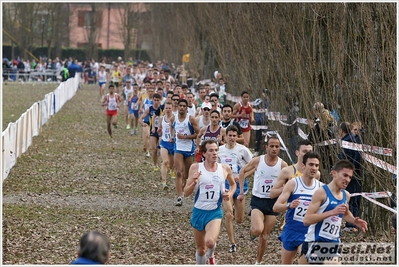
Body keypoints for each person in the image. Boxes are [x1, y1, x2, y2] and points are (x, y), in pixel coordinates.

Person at [300, 159, 368, 264]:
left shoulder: (346, 195)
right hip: (316, 241)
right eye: (345, 175)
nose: (347, 179)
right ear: (334, 173)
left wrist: (354, 221)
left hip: (333, 243)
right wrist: (331, 212)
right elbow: (307, 220)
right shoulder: (321, 193)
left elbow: (344, 213)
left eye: (350, 177)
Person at [184, 139, 236, 265]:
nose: (214, 153)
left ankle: (211, 255)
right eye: (211, 150)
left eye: (216, 150)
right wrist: (194, 182)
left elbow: (233, 184)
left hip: (214, 212)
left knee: (210, 242)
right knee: (201, 249)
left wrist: (230, 193)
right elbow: (186, 192)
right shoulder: (196, 167)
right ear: (204, 153)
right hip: (198, 212)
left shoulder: (224, 168)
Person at [237, 136, 288, 265]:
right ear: (267, 147)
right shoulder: (258, 161)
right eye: (272, 146)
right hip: (258, 200)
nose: (274, 149)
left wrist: (285, 200)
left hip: (272, 203)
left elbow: (289, 185)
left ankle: (257, 262)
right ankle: (252, 232)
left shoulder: (283, 165)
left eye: (277, 146)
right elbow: (243, 171)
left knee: (265, 236)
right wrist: (242, 191)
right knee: (258, 230)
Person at [272, 152, 323, 264]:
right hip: (291, 230)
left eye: (316, 165)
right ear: (303, 166)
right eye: (311, 164)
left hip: (309, 234)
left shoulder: (322, 188)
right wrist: (289, 205)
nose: (314, 168)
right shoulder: (293, 184)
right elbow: (276, 207)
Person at [270, 140, 320, 231]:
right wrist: (288, 187)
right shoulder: (287, 171)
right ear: (297, 153)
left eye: (310, 152)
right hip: (289, 216)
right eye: (305, 152)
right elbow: (272, 194)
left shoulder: (316, 174)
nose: (307, 154)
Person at [218, 125, 253, 253]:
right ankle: (232, 243)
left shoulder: (243, 150)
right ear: (225, 136)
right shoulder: (219, 150)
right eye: (229, 135)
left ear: (237, 137)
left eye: (234, 136)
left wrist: (243, 175)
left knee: (239, 219)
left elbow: (253, 167)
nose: (232, 138)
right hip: (225, 185)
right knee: (228, 214)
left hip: (239, 186)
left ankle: (235, 212)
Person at [170, 99, 200, 206]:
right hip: (178, 148)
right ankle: (179, 196)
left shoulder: (191, 119)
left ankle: (182, 190)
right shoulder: (174, 118)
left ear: (187, 108)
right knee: (179, 172)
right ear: (177, 107)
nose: (182, 107)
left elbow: (198, 134)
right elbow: (171, 127)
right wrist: (172, 137)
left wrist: (186, 137)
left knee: (187, 175)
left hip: (189, 148)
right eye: (180, 105)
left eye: (184, 106)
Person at [338, 122, 362, 232]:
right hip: (354, 173)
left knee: (351, 198)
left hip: (351, 173)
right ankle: (352, 224)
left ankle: (351, 225)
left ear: (341, 131)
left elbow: (353, 157)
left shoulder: (347, 141)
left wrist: (350, 170)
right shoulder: (354, 140)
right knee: (354, 198)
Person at [140, 93, 162, 170]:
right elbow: (141, 118)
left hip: (161, 131)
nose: (156, 102)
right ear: (153, 100)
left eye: (157, 100)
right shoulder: (150, 109)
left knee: (161, 149)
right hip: (153, 130)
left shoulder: (162, 109)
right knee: (154, 149)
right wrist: (143, 124)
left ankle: (162, 163)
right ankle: (155, 165)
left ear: (160, 100)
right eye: (155, 100)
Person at [157, 101, 175, 189]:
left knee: (172, 164)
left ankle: (172, 170)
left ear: (172, 109)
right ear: (164, 109)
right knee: (165, 162)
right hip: (164, 142)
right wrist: (159, 130)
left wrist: (173, 136)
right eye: (166, 108)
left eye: (169, 108)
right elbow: (160, 128)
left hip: (173, 143)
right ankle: (164, 182)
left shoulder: (175, 118)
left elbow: (177, 129)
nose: (168, 110)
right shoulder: (161, 118)